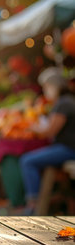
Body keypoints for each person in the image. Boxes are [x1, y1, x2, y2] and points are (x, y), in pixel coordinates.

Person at [20, 68, 75, 214]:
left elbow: (50, 131)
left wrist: (33, 128)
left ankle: (33, 204)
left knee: (27, 161)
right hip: (67, 148)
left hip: (69, 149)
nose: (45, 90)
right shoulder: (66, 101)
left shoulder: (64, 103)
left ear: (54, 85)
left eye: (46, 86)